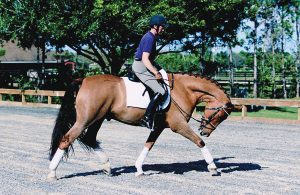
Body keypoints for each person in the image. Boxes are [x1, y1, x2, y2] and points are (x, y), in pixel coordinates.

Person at [132, 15, 168, 131]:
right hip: (141, 67)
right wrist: (155, 72)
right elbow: (145, 59)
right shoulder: (149, 38)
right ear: (155, 26)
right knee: (161, 91)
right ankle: (147, 117)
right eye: (162, 26)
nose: (163, 29)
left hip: (145, 65)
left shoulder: (152, 37)